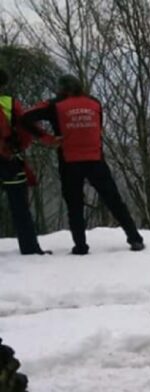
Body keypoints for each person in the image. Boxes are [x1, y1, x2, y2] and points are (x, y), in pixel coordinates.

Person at [22, 74, 144, 255]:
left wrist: (47, 138)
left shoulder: (54, 105)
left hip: (69, 160)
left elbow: (25, 118)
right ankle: (135, 238)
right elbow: (99, 128)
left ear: (62, 89)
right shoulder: (94, 102)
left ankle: (80, 246)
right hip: (95, 159)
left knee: (75, 205)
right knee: (114, 201)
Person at [0, 68, 56, 255]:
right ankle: (30, 248)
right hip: (9, 161)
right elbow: (25, 127)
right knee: (20, 208)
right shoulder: (9, 103)